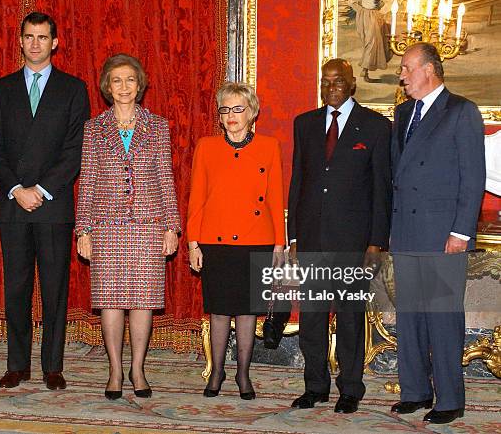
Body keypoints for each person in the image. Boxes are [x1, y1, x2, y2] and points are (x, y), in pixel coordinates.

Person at [0, 12, 90, 390]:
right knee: (16, 288)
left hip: (53, 205)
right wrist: (15, 188)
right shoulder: (0, 88)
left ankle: (52, 366)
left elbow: (76, 149)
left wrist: (41, 190)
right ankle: (17, 364)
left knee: (55, 288)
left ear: (55, 42)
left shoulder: (74, 89)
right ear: (20, 40)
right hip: (13, 205)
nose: (35, 43)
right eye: (29, 36)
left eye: (42, 37)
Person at [287, 58, 391, 413]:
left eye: (338, 81)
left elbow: (382, 189)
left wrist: (376, 241)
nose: (331, 87)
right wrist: (295, 236)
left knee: (349, 318)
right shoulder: (305, 124)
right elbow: (298, 181)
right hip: (313, 240)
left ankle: (350, 389)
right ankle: (315, 386)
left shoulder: (375, 126)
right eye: (325, 81)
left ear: (352, 85)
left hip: (353, 242)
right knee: (312, 318)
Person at [389, 42, 485, 425]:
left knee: (443, 317)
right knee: (409, 315)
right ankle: (414, 391)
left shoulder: (461, 111)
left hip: (443, 233)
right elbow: (398, 175)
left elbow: (472, 177)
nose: (402, 76)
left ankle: (449, 397)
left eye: (408, 69)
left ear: (429, 69)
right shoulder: (402, 113)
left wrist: (461, 231)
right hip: (407, 230)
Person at [75, 54, 180, 400]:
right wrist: (83, 230)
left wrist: (171, 227)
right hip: (105, 228)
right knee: (110, 301)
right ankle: (115, 370)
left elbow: (166, 178)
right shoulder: (93, 128)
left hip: (148, 226)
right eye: (117, 80)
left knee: (143, 301)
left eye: (130, 80)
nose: (123, 87)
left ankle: (138, 368)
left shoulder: (158, 126)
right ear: (107, 86)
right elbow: (87, 181)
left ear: (140, 84)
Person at [187, 82, 285, 400]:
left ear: (252, 113)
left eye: (238, 109)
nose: (231, 115)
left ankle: (243, 373)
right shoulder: (206, 147)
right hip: (215, 242)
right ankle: (217, 371)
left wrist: (279, 245)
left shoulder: (269, 147)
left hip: (256, 240)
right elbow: (196, 198)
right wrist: (192, 243)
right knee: (218, 311)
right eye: (225, 109)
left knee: (247, 312)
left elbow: (274, 198)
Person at [347, 0, 395, 82]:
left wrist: (361, 10)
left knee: (369, 42)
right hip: (372, 17)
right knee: (372, 43)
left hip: (363, 16)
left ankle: (366, 70)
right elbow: (391, 1)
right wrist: (381, 12)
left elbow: (351, 2)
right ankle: (364, 70)